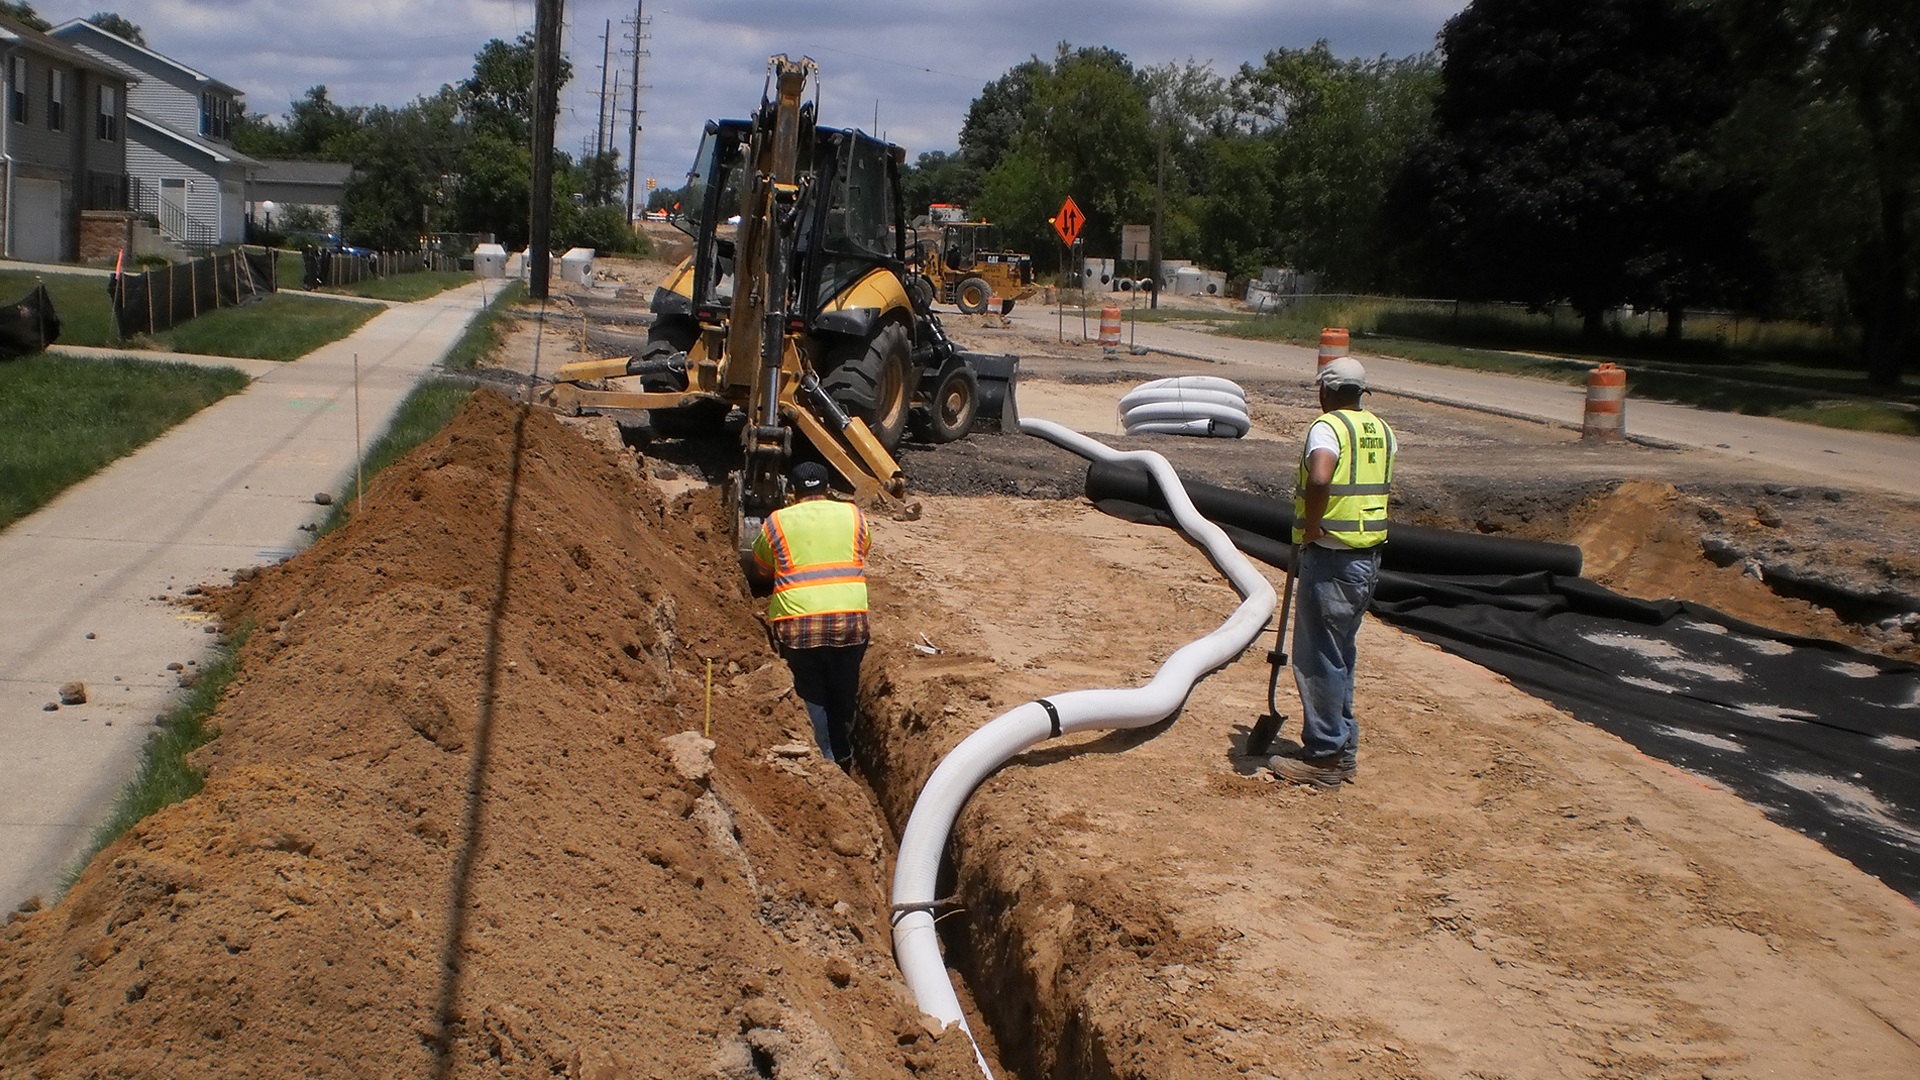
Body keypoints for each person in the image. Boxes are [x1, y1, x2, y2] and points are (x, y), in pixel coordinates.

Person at [1271, 357, 1396, 788]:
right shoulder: (1380, 430)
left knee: (1318, 657)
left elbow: (1321, 476)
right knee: (1341, 655)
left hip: (1332, 557)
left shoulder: (1327, 428)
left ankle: (1323, 758)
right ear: (1362, 393)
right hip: (1366, 559)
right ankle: (1343, 750)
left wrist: (1310, 527)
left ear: (1324, 391)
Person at [752, 462, 872, 768]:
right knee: (843, 692)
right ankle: (844, 758)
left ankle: (823, 761)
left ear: (793, 492)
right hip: (849, 622)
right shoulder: (854, 514)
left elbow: (763, 568)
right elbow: (862, 550)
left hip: (798, 626)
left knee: (811, 694)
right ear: (827, 489)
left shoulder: (777, 522)